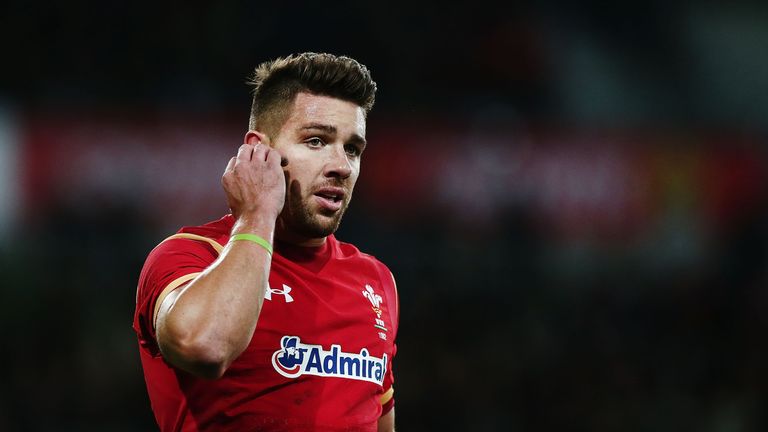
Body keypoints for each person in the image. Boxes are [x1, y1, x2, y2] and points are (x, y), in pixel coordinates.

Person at [133, 52, 398, 431]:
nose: (342, 165)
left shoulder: (376, 280)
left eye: (352, 149)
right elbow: (205, 346)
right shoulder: (190, 255)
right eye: (316, 141)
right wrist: (257, 214)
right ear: (260, 150)